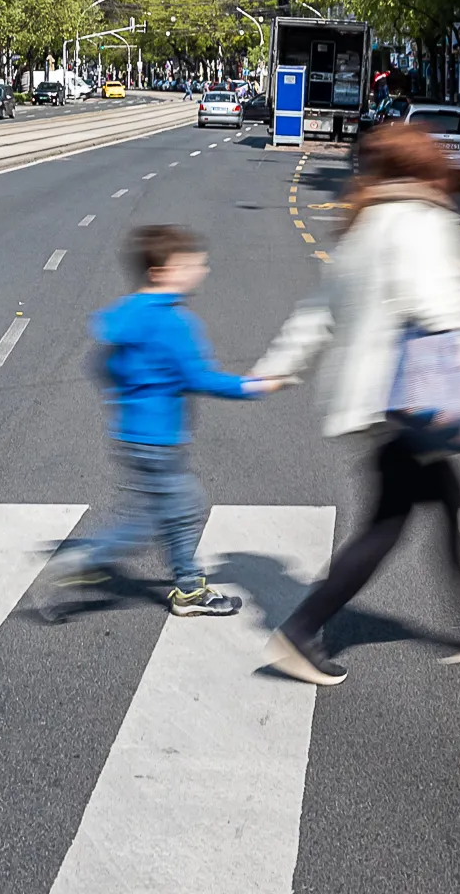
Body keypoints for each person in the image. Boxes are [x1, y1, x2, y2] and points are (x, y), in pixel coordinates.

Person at [248, 119, 460, 684]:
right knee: (387, 525)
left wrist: (276, 368)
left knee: (448, 499)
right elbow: (432, 297)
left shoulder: (361, 227)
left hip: (376, 400)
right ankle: (299, 631)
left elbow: (318, 310)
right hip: (414, 398)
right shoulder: (424, 220)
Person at [43, 224, 290, 617]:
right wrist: (254, 386)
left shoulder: (127, 314)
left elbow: (101, 364)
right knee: (166, 514)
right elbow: (199, 378)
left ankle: (185, 584)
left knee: (172, 509)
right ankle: (102, 564)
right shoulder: (174, 323)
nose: (201, 271)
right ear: (160, 272)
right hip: (158, 440)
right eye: (190, 265)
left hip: (132, 434)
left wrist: (129, 395)